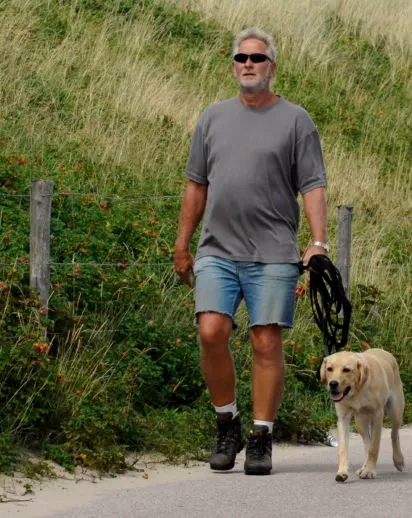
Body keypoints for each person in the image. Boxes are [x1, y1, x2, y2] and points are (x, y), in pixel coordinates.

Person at [173, 27, 329, 476]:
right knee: (210, 331)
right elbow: (196, 185)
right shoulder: (212, 118)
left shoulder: (296, 120)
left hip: (274, 251)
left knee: (266, 341)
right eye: (240, 57)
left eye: (256, 58)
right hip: (217, 248)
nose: (247, 64)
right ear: (233, 64)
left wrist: (316, 243)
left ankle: (261, 437)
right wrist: (183, 243)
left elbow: (313, 186)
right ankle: (228, 423)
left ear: (271, 66)